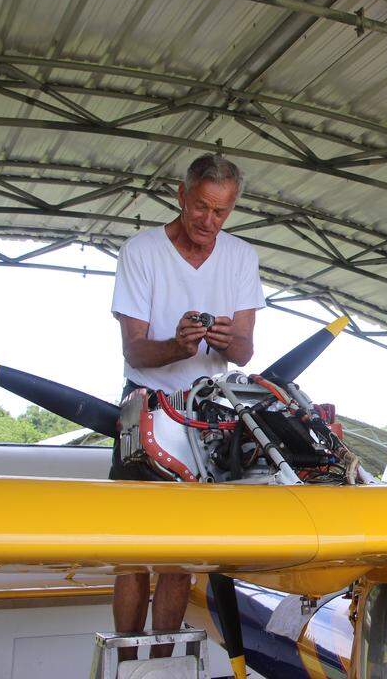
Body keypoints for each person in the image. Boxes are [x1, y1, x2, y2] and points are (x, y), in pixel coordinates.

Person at [109, 153, 264, 659]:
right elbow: (134, 350)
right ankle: (128, 659)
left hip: (205, 413)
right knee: (131, 550)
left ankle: (158, 663)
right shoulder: (142, 251)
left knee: (179, 553)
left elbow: (244, 351)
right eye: (201, 207)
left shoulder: (241, 257)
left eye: (221, 212)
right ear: (181, 195)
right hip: (146, 405)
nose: (209, 222)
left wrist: (225, 341)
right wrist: (177, 346)